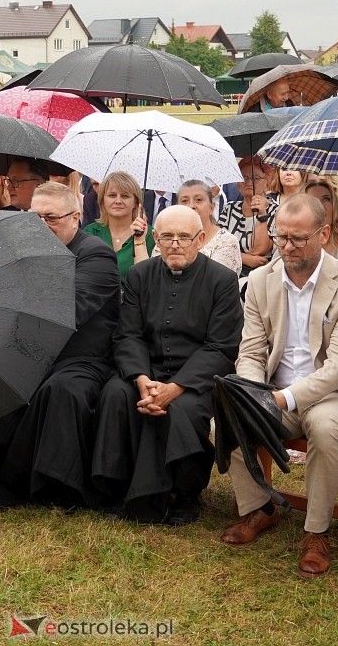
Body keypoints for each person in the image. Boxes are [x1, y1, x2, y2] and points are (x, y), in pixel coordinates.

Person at [218, 195, 338, 577]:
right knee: (225, 420)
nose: (287, 247)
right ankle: (261, 508)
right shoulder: (259, 280)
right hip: (276, 389)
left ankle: (316, 532)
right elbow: (252, 350)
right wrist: (255, 396)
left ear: (324, 234)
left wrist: (280, 399)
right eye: (280, 238)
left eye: (298, 239)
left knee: (324, 426)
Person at [0, 182, 121, 510]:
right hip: (31, 350)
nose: (41, 226)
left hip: (81, 357)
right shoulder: (20, 251)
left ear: (76, 217)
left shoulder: (96, 254)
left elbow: (69, 309)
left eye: (51, 218)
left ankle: (53, 486)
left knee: (60, 390)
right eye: (34, 218)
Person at [91, 205, 243, 525]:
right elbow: (128, 335)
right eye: (167, 237)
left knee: (184, 409)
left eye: (184, 237)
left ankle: (185, 495)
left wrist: (175, 388)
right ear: (155, 239)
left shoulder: (223, 281)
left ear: (200, 239)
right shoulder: (139, 275)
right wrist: (141, 379)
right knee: (115, 394)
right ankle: (116, 487)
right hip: (146, 369)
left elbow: (220, 346)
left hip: (196, 378)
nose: (175, 244)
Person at [83, 171, 155, 283]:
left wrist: (139, 240)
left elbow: (148, 278)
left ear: (136, 202)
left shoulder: (150, 235)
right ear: (102, 201)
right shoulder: (90, 232)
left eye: (125, 196)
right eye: (112, 195)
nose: (118, 201)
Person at [221, 156, 276, 276]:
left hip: (262, 275)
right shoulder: (229, 209)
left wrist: (262, 215)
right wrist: (245, 258)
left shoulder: (277, 211)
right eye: (243, 178)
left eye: (255, 178)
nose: (249, 182)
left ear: (267, 183)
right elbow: (219, 245)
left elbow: (259, 251)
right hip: (229, 272)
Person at [175, 180, 241, 275]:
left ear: (212, 207)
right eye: (184, 201)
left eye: (198, 200)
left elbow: (215, 280)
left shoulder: (226, 242)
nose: (191, 206)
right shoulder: (167, 238)